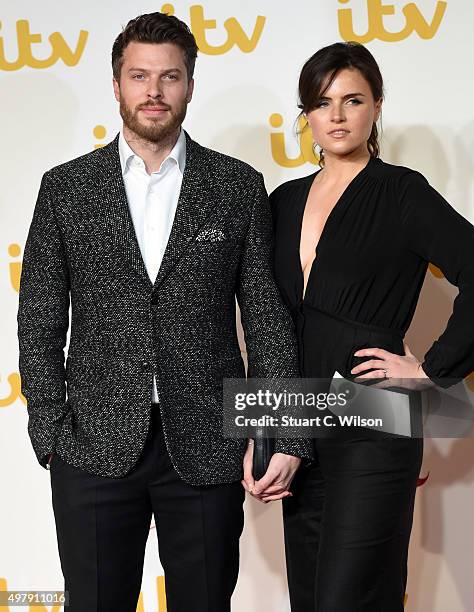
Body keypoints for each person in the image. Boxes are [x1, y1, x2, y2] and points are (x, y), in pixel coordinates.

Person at [17, 12, 311, 612]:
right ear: (117, 84)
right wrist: (50, 428)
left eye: (169, 77)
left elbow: (265, 318)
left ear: (190, 84)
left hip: (207, 445)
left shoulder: (236, 185)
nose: (154, 92)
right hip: (92, 446)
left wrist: (285, 430)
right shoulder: (66, 188)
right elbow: (39, 315)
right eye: (139, 76)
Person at [264, 41, 474, 611]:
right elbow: (267, 320)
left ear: (376, 107)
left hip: (375, 414)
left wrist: (431, 369)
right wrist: (265, 432)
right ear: (305, 113)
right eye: (322, 102)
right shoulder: (281, 201)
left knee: (350, 598)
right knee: (307, 597)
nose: (335, 115)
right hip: (298, 421)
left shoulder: (401, 192)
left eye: (351, 100)